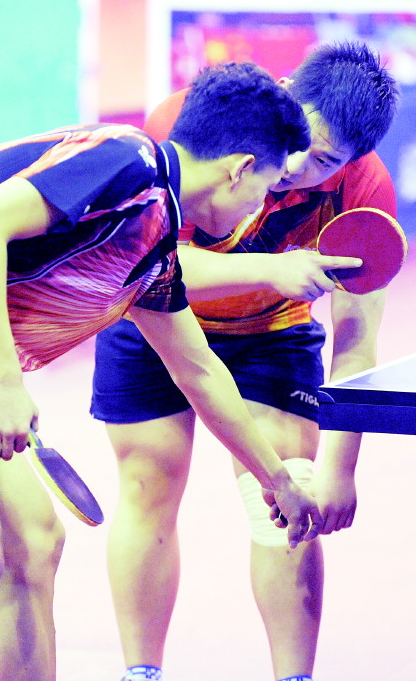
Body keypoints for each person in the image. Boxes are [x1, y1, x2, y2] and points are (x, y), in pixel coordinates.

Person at [0, 61, 363, 680]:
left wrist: (277, 480)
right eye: (267, 186)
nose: (261, 207)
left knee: (32, 544)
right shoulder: (126, 161)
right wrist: (7, 383)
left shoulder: (154, 246)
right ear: (240, 168)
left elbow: (199, 371)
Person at [91, 42, 399, 681]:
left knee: (289, 495)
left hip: (269, 334)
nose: (297, 169)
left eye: (325, 161)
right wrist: (270, 269)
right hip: (153, 316)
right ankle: (140, 673)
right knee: (148, 483)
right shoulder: (192, 123)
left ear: (353, 162)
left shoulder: (366, 189)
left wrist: (342, 466)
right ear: (286, 92)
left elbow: (357, 339)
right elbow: (152, 258)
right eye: (301, 143)